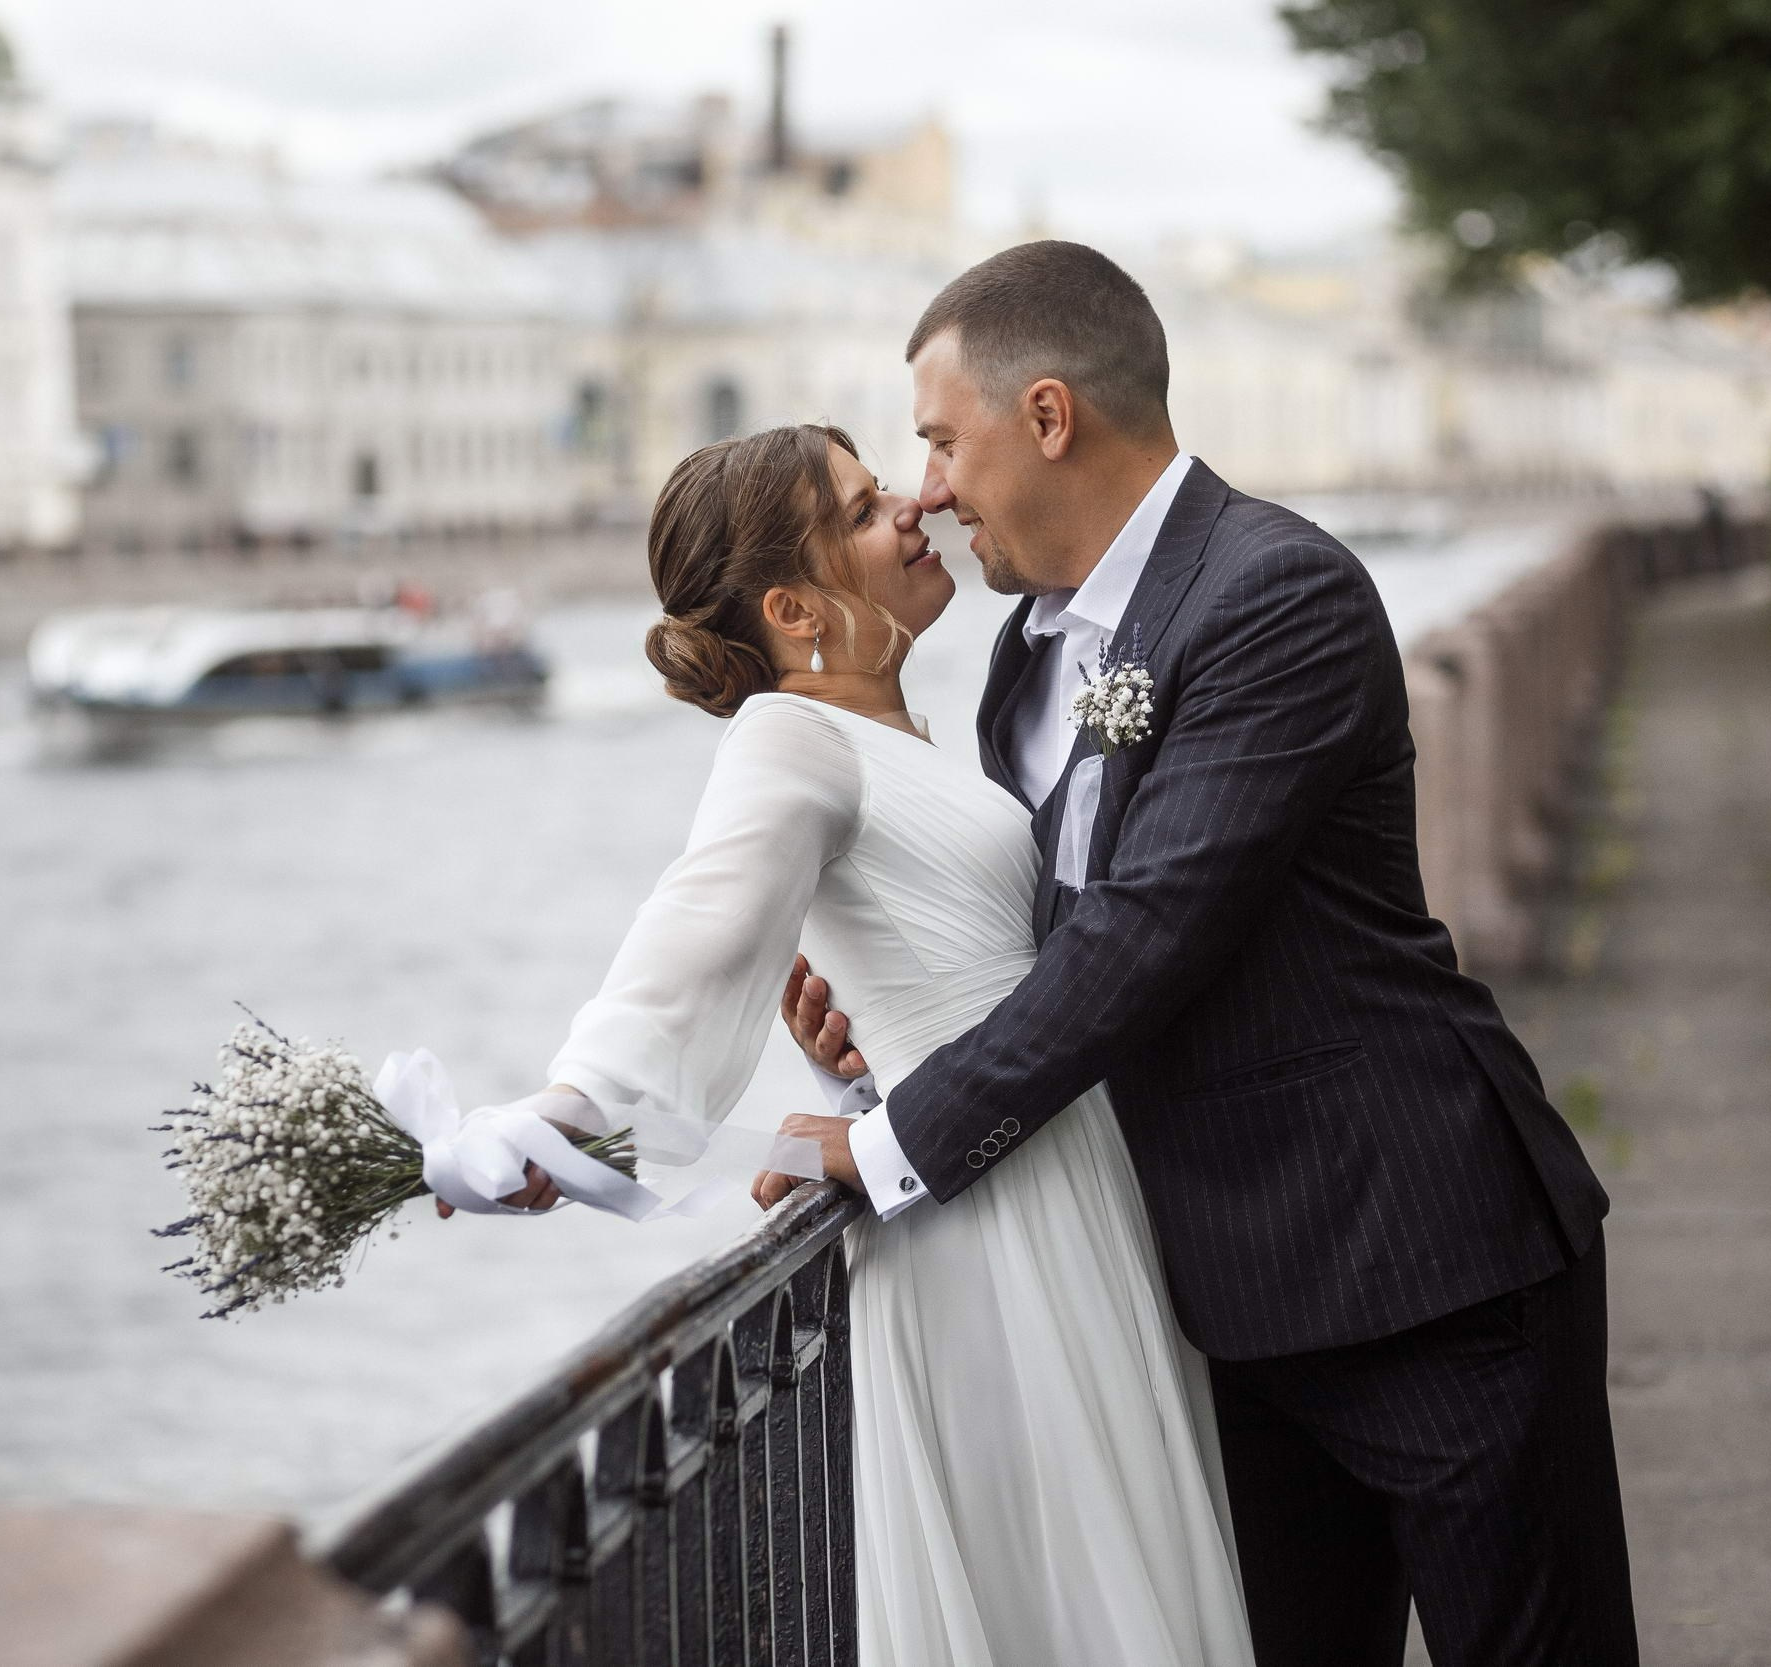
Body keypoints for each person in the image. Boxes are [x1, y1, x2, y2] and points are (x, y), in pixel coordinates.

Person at [769, 241, 1639, 1666]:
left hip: (1423, 1262)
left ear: (1048, 416)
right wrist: (887, 1045)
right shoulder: (1026, 654)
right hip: (1214, 1294)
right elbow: (1050, 943)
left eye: (940, 440)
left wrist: (896, 1145)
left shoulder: (1274, 591)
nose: (927, 488)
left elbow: (1150, 926)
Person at [441, 419, 1256, 1666]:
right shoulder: (788, 737)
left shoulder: (906, 732)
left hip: (1044, 1163)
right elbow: (694, 926)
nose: (912, 508)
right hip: (987, 1220)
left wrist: (856, 1069)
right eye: (866, 509)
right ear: (794, 607)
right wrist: (568, 1109)